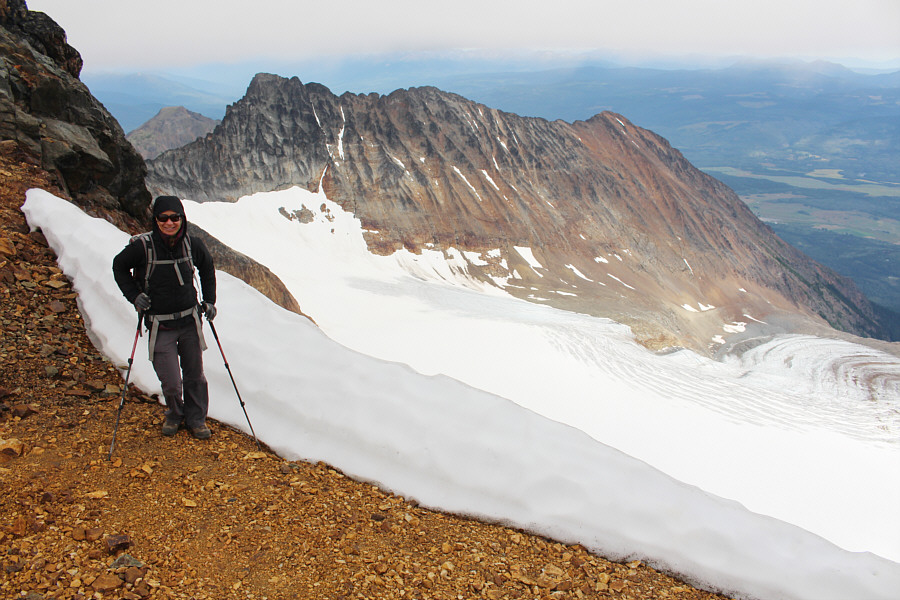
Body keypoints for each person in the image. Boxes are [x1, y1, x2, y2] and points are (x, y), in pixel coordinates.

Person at [112, 195, 217, 439]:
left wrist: (209, 300)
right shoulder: (143, 247)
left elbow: (207, 268)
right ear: (155, 219)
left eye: (175, 217)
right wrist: (134, 295)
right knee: (170, 380)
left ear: (182, 218)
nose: (169, 223)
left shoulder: (193, 244)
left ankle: (196, 419)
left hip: (190, 321)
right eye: (163, 218)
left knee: (195, 375)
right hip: (160, 324)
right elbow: (119, 266)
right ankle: (175, 413)